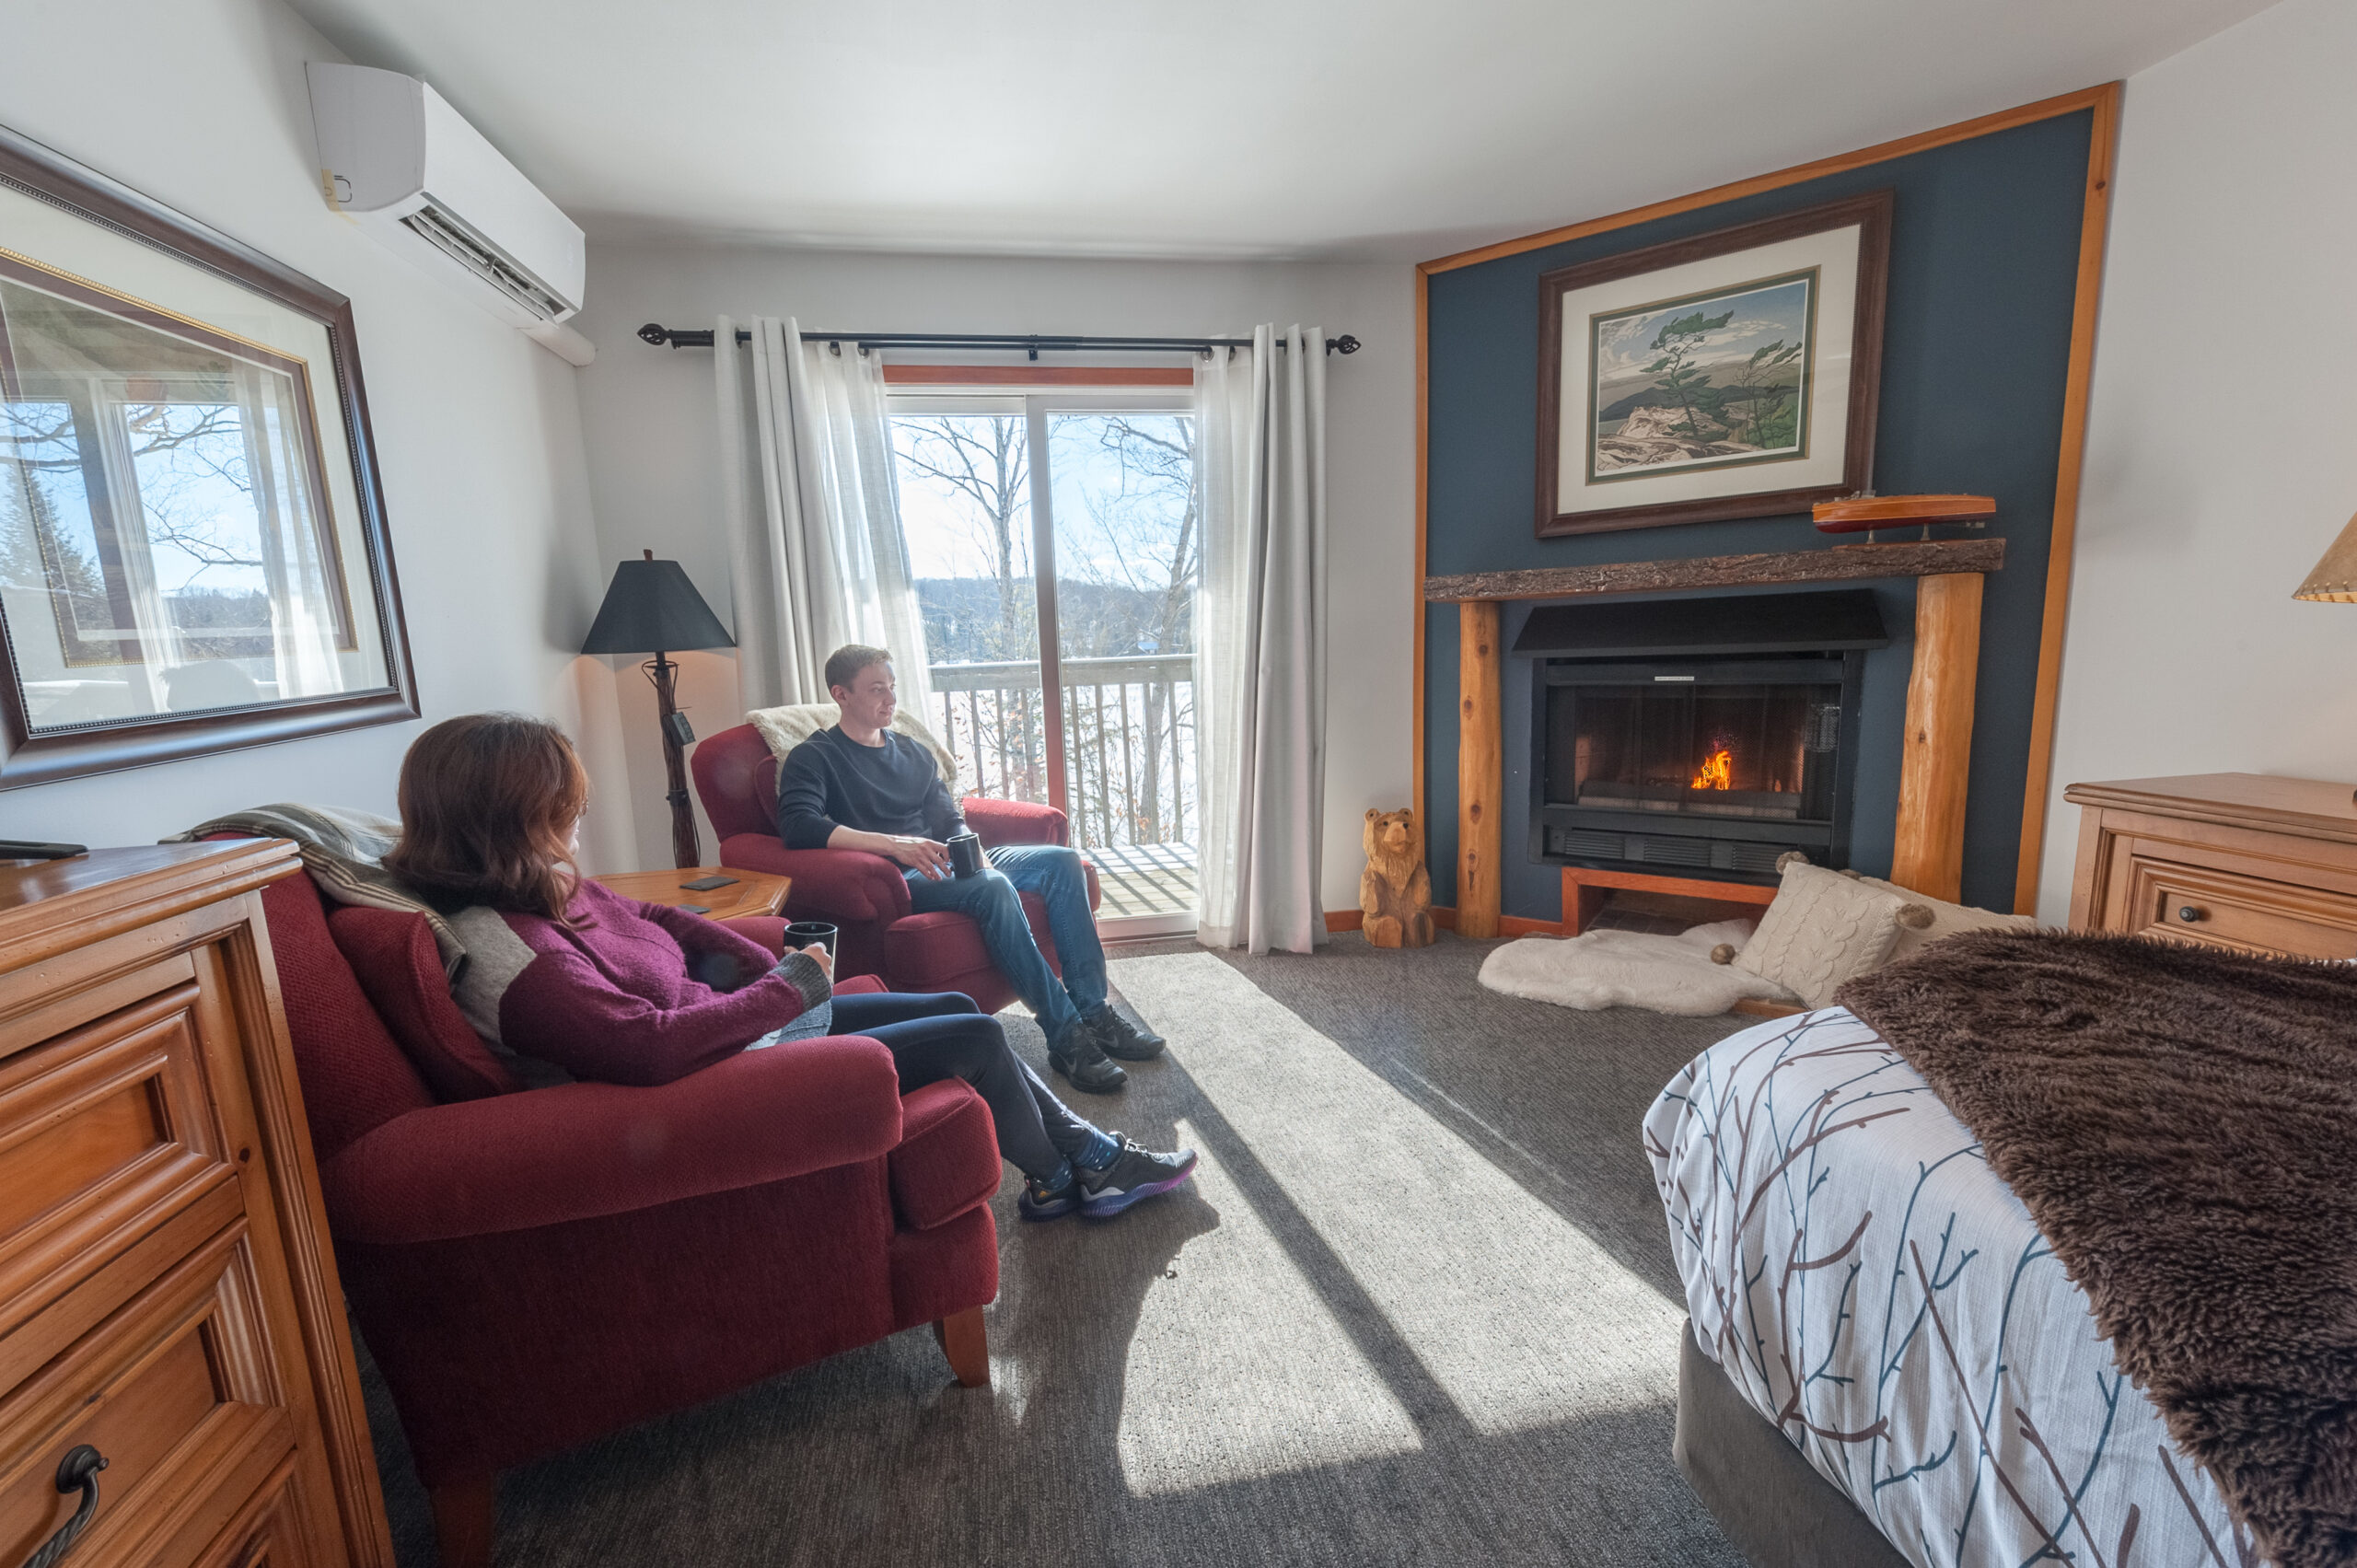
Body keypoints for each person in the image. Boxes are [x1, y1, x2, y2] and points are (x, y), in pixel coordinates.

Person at [384, 712, 1195, 1220]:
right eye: (564, 810)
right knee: (977, 1038)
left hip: (738, 1029)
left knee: (959, 1005)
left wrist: (767, 959)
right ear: (511, 816)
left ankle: (1081, 1154)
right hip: (724, 1071)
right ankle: (1083, 1169)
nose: (579, 822)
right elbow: (649, 1046)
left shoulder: (543, 888)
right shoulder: (512, 956)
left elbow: (653, 913)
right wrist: (789, 986)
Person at [774, 645, 1165, 1095]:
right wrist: (895, 846)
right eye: (876, 689)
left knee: (1061, 863)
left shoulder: (914, 753)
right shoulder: (816, 756)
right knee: (993, 888)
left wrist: (969, 847)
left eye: (892, 687)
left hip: (953, 861)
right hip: (900, 875)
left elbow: (947, 817)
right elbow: (800, 826)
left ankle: (1094, 1014)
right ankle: (1066, 1038)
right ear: (840, 694)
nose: (890, 699)